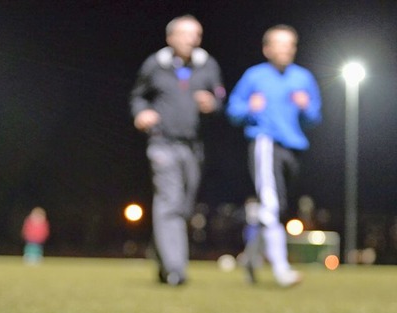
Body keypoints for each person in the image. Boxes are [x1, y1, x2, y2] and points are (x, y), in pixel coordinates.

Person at [130, 15, 225, 286]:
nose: (191, 39)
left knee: (183, 207)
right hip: (162, 143)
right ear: (170, 37)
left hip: (193, 147)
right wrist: (142, 112)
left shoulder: (207, 65)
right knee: (169, 202)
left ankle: (161, 256)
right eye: (185, 34)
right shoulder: (155, 65)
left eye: (196, 34)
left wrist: (213, 103)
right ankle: (176, 269)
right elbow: (138, 96)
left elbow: (220, 96)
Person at [226, 24, 322, 287]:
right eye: (278, 44)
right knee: (271, 205)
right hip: (264, 143)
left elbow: (315, 116)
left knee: (271, 210)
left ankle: (249, 259)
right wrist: (249, 107)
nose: (284, 49)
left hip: (293, 148)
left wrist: (306, 106)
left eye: (289, 44)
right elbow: (233, 110)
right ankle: (281, 269)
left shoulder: (303, 78)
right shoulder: (254, 76)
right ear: (267, 49)